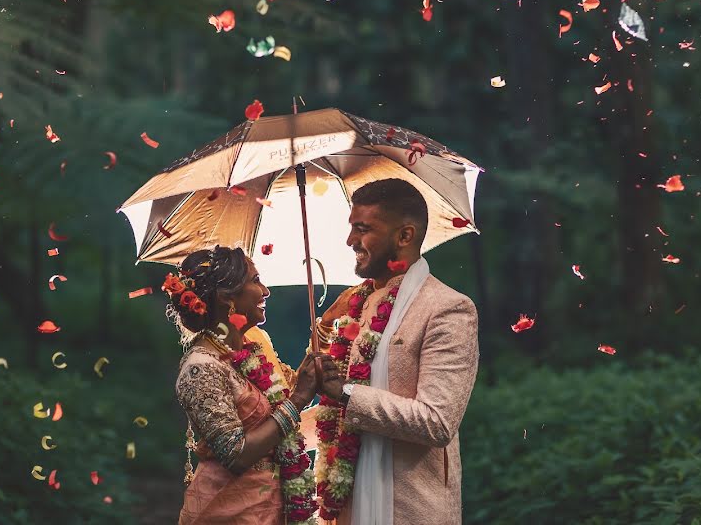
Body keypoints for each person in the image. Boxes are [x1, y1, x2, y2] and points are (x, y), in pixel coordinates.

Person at [312, 178, 480, 524]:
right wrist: (325, 324)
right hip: (346, 507)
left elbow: (436, 422)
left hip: (407, 508)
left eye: (362, 229)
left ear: (404, 236)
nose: (349, 241)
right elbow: (326, 401)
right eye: (351, 228)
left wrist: (346, 393)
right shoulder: (353, 303)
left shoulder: (447, 309)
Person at [167, 245, 322, 525]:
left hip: (274, 508)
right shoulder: (200, 367)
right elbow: (236, 455)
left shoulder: (255, 343)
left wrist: (317, 358)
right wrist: (299, 399)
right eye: (255, 280)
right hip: (227, 512)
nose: (266, 291)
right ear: (227, 298)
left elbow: (284, 398)